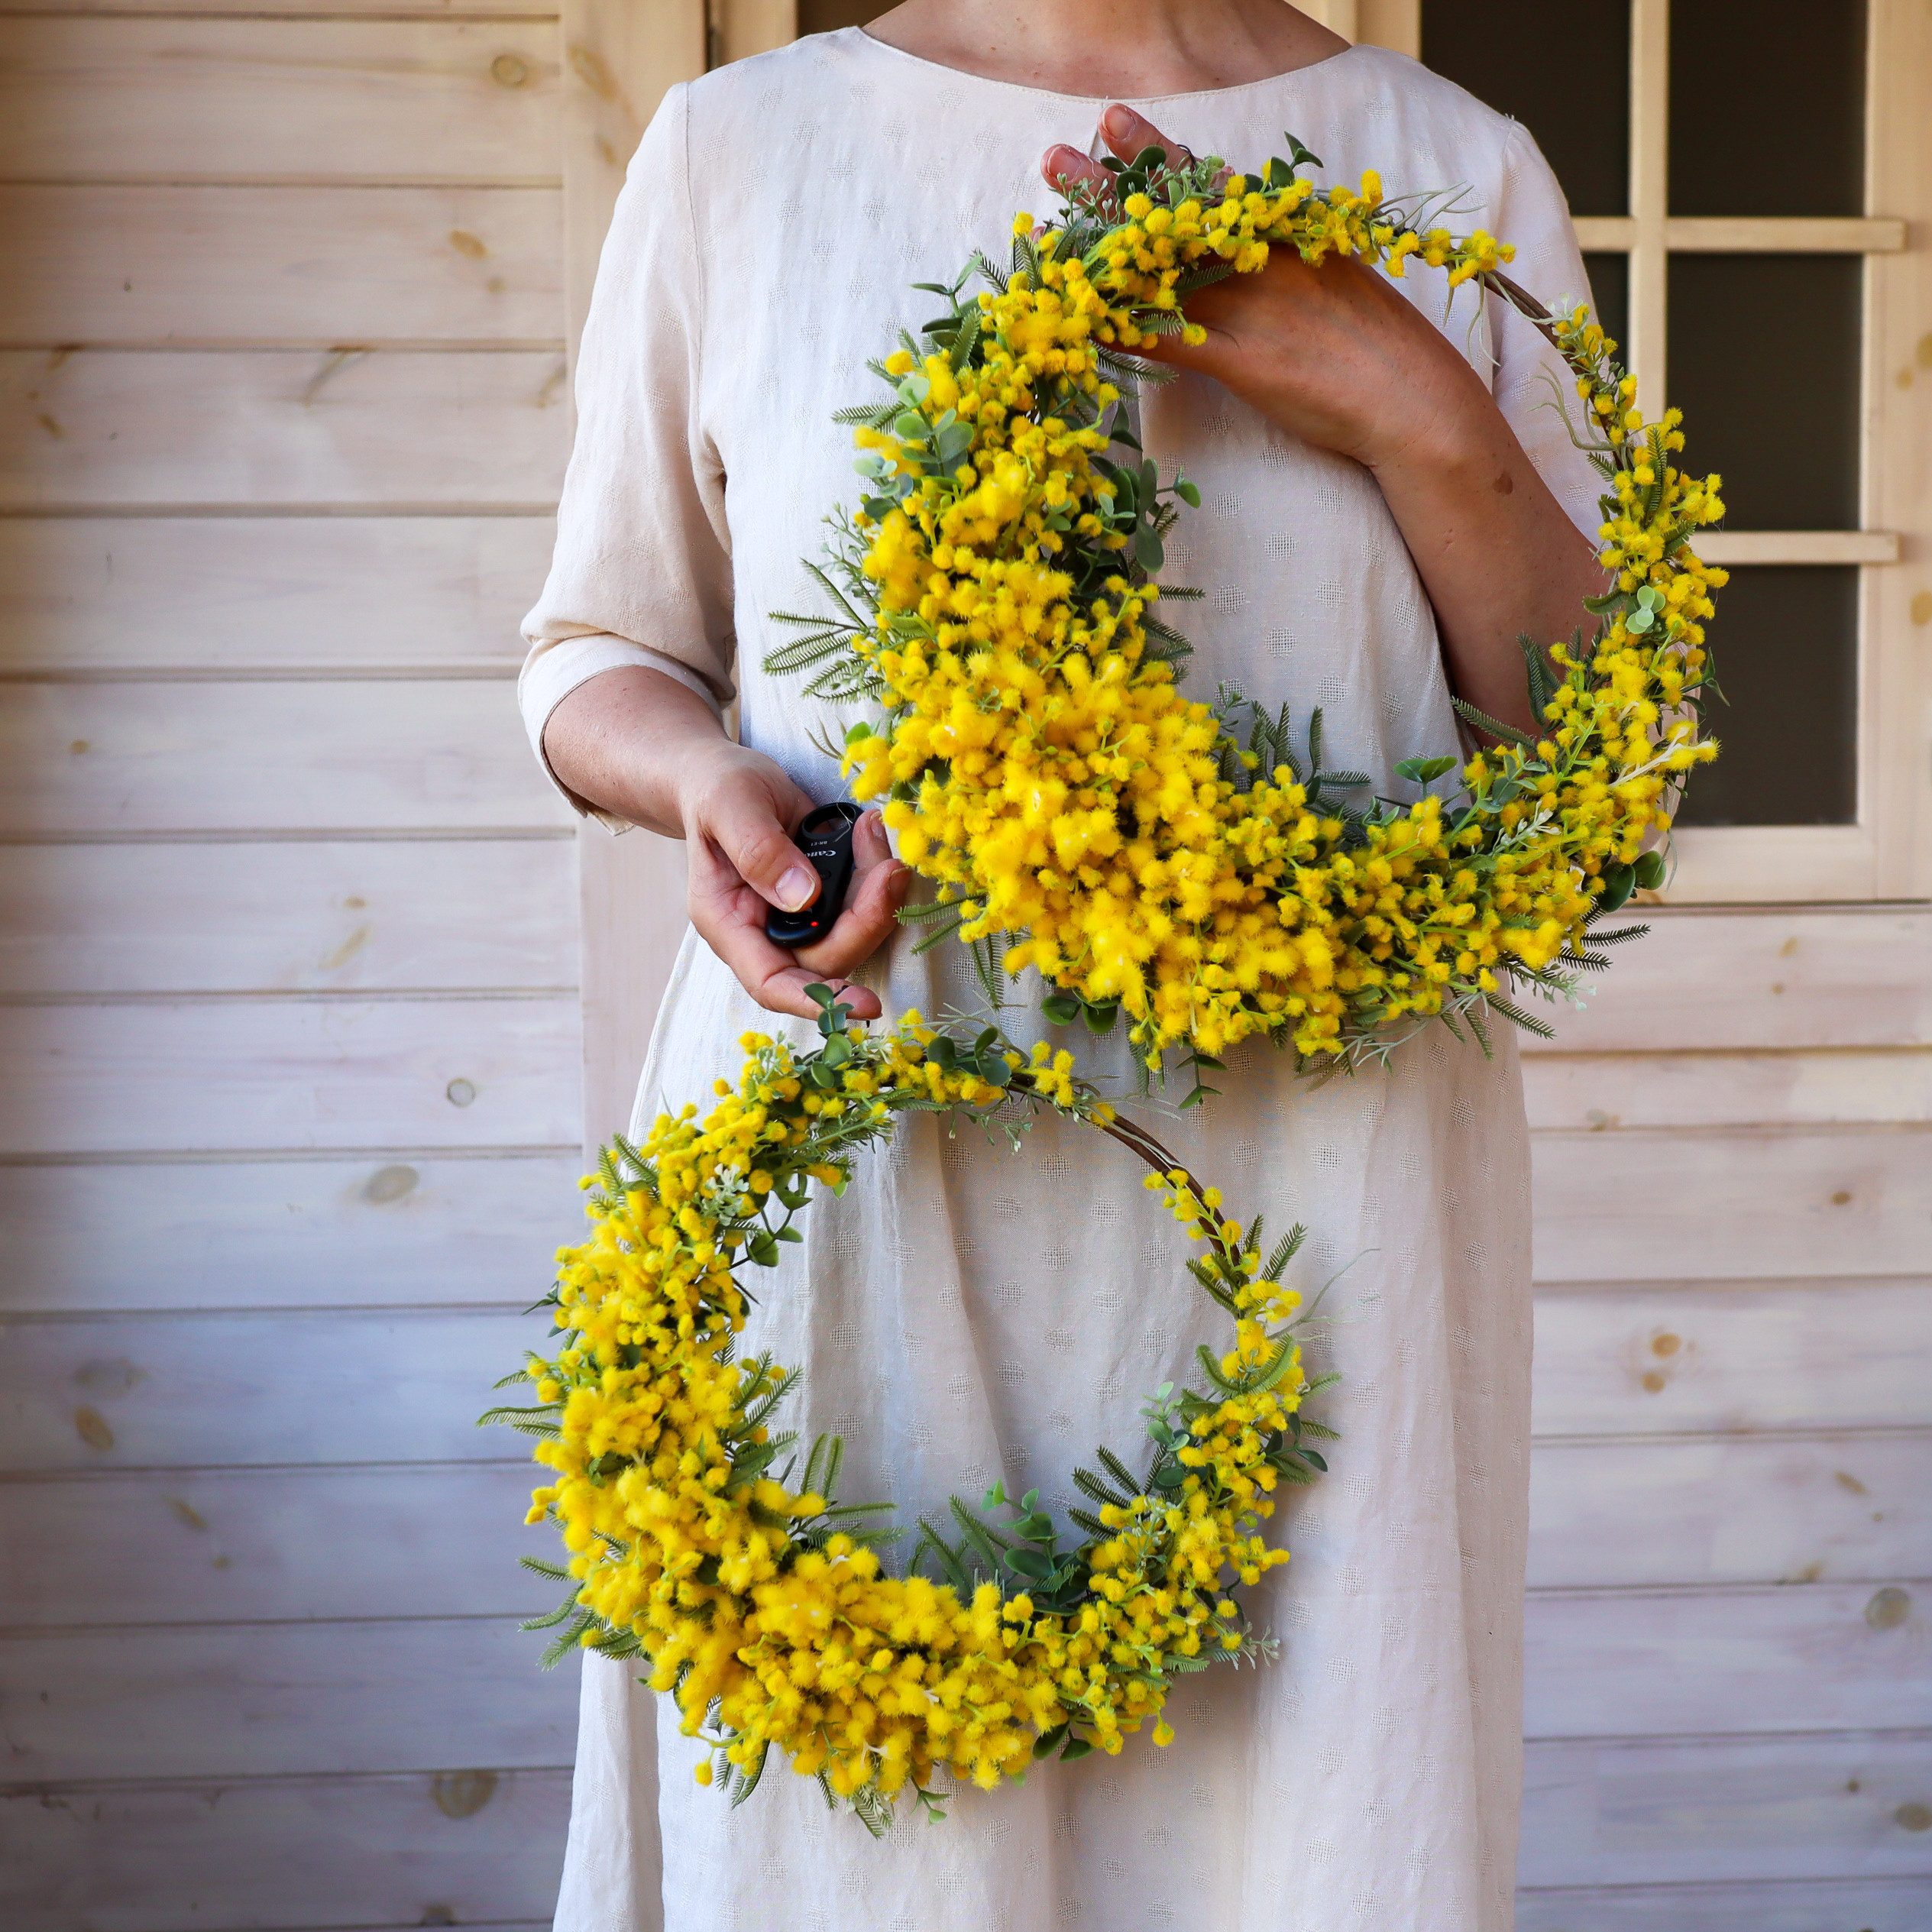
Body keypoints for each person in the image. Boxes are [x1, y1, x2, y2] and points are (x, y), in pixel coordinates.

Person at [519, 4, 1605, 1927]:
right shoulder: (734, 152)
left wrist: (1405, 395)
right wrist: (707, 780)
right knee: (868, 1855)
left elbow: (1581, 745)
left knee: (1317, 1836)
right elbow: (597, 645)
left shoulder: (1454, 162)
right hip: (863, 1161)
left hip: (1327, 1185)